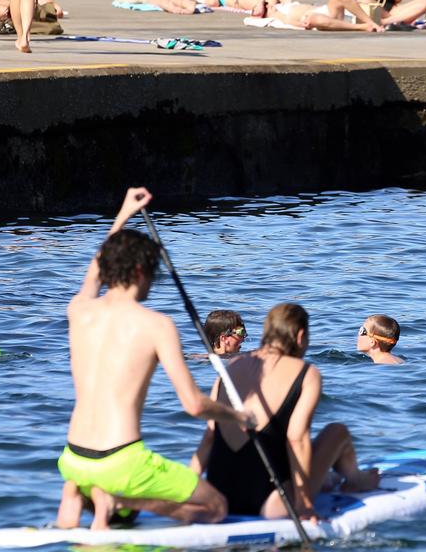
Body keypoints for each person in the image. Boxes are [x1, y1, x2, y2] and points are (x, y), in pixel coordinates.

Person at [54, 187, 253, 531]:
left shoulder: (79, 309)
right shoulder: (157, 325)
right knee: (216, 507)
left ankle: (76, 501)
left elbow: (95, 270)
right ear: (139, 272)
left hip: (72, 457)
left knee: (86, 483)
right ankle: (121, 500)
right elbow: (193, 405)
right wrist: (239, 416)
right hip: (121, 461)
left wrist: (123, 214)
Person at [192, 303, 381, 518]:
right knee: (337, 432)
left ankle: (331, 478)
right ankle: (357, 480)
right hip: (271, 503)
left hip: (220, 496)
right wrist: (304, 505)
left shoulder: (229, 370)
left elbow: (209, 438)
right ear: (300, 336)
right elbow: (296, 439)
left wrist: (187, 491)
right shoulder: (306, 373)